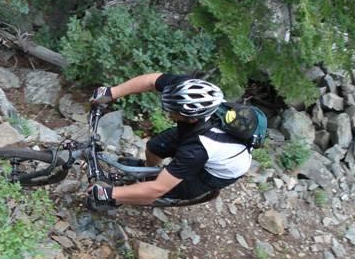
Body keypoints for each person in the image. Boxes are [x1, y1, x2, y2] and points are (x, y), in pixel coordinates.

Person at [88, 72, 252, 207]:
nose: (167, 113)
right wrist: (112, 92)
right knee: (154, 147)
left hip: (219, 170)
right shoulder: (185, 91)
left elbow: (156, 189)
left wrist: (108, 193)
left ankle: (119, 200)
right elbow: (151, 81)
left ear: (191, 118)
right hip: (195, 134)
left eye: (171, 111)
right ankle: (146, 173)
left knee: (164, 189)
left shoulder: (197, 149)